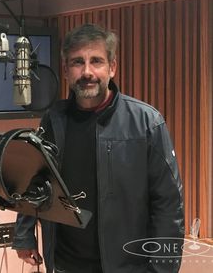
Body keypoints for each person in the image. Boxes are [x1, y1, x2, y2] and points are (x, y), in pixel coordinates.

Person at [12, 23, 185, 273]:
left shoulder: (147, 123)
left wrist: (163, 269)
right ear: (66, 70)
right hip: (64, 264)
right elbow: (36, 181)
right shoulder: (54, 118)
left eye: (96, 61)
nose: (87, 71)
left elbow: (168, 204)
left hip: (128, 267)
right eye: (77, 62)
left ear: (112, 67)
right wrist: (24, 235)